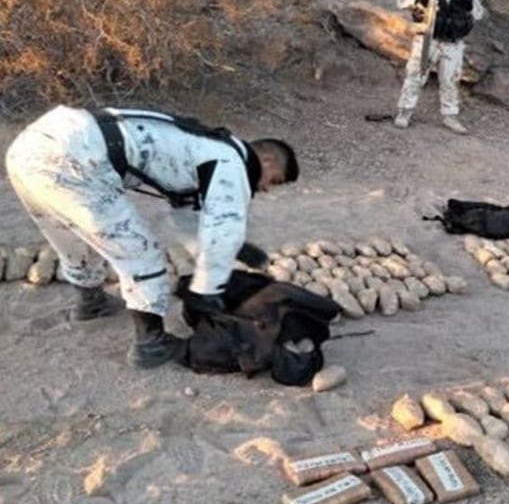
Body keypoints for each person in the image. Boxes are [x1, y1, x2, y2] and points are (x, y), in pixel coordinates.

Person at [4, 105, 299, 368]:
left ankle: (91, 302)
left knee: (72, 237)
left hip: (33, 147)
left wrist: (237, 249)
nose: (267, 189)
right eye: (274, 180)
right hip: (74, 158)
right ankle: (151, 344)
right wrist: (207, 290)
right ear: (267, 159)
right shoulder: (232, 160)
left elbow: (185, 216)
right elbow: (224, 226)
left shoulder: (204, 146)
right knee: (141, 254)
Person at [394, 0, 486, 134]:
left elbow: (478, 12)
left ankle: (450, 116)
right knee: (416, 75)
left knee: (450, 80)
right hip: (428, 39)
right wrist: (421, 6)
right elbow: (402, 1)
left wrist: (460, 20)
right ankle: (405, 112)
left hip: (453, 43)